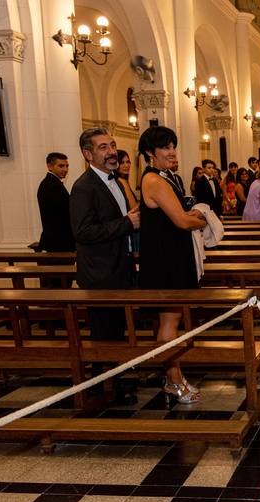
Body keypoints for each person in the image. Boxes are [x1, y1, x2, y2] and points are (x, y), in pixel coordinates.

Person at [138, 125, 206, 404]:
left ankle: (173, 375)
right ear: (149, 154)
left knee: (172, 319)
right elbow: (182, 220)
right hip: (164, 261)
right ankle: (173, 379)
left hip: (171, 256)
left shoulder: (168, 178)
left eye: (173, 146)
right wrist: (202, 218)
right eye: (165, 147)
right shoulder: (154, 181)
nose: (172, 151)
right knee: (169, 320)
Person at [71, 127, 139, 342]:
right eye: (103, 147)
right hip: (101, 273)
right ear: (88, 155)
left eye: (113, 146)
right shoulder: (83, 187)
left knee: (118, 329)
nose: (112, 152)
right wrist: (127, 222)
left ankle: (116, 370)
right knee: (104, 333)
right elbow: (83, 231)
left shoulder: (115, 181)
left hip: (119, 267)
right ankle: (102, 374)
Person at [37, 152, 75, 253]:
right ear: (50, 166)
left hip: (57, 241)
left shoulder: (51, 183)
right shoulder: (52, 185)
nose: (65, 169)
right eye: (61, 166)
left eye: (67, 166)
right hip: (59, 243)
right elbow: (66, 213)